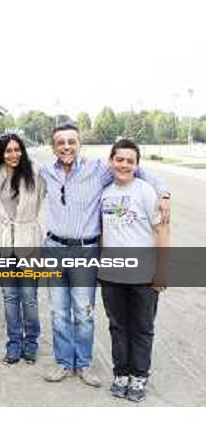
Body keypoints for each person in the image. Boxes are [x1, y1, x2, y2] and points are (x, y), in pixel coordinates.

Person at [39, 123, 170, 387]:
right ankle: (64, 362)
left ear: (79, 144)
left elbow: (135, 168)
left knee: (84, 311)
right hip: (53, 247)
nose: (66, 147)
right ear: (53, 147)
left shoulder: (98, 171)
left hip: (85, 250)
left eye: (71, 141)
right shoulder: (45, 172)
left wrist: (163, 193)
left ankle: (84, 364)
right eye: (61, 142)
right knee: (59, 312)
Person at [99, 139, 169, 403]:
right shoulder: (105, 193)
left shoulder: (147, 191)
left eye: (130, 160)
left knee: (141, 327)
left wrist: (161, 271)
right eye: (120, 159)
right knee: (118, 326)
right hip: (112, 274)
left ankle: (139, 376)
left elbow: (162, 230)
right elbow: (105, 232)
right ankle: (121, 373)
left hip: (143, 275)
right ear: (111, 161)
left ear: (137, 165)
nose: (124, 164)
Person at [0, 133, 46, 365]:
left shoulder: (36, 176)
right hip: (4, 242)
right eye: (8, 151)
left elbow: (43, 198)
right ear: (0, 154)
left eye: (17, 150)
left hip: (29, 241)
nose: (14, 154)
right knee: (9, 297)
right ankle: (14, 343)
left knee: (29, 298)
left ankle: (31, 343)